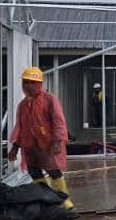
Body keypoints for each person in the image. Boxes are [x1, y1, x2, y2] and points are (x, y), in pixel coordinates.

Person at [7, 67, 72, 210]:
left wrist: (57, 141)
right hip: (30, 146)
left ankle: (65, 200)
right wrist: (15, 147)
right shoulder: (23, 105)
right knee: (34, 172)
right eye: (26, 82)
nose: (28, 85)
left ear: (39, 83)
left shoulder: (50, 99)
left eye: (32, 82)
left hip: (47, 144)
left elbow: (58, 121)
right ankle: (47, 198)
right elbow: (21, 127)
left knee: (53, 171)